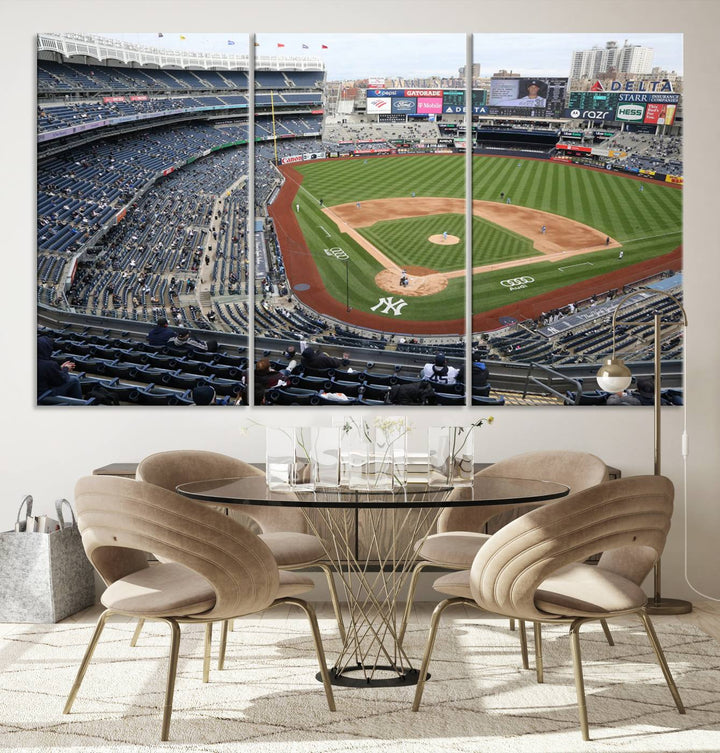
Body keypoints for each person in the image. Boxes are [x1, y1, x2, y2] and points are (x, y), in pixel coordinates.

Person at [37, 335, 83, 400]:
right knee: (74, 380)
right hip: (43, 396)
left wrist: (59, 369)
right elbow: (61, 380)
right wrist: (66, 369)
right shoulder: (49, 365)